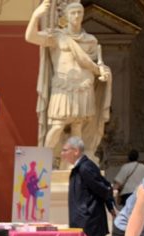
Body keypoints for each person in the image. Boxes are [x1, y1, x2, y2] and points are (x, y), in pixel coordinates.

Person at [25, 0, 112, 159]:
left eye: (80, 13)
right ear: (66, 16)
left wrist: (104, 72)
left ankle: (74, 163)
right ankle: (42, 159)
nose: (77, 16)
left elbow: (96, 64)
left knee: (77, 127)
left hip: (83, 87)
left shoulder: (90, 40)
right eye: (73, 13)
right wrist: (36, 16)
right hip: (63, 87)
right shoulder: (56, 36)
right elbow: (30, 37)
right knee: (57, 126)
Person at [56, 136, 112, 236]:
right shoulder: (81, 167)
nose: (62, 153)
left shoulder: (86, 167)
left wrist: (110, 206)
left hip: (88, 219)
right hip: (82, 218)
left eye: (65, 150)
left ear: (76, 151)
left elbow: (103, 188)